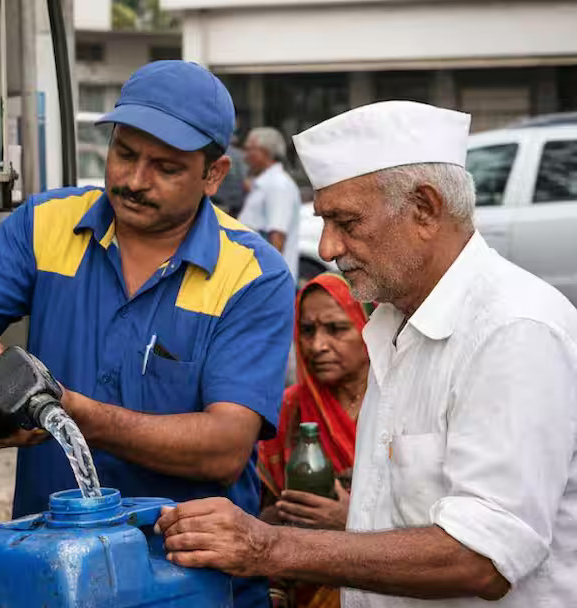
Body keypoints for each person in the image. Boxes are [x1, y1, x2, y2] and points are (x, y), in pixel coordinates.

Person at [0, 60, 295, 608]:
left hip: (190, 583)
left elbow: (223, 448)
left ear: (214, 174)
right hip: (49, 579)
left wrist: (66, 411)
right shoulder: (47, 225)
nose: (134, 180)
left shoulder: (251, 274)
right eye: (124, 153)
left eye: (166, 167)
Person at [155, 100, 577, 607]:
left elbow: (482, 557)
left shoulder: (513, 330)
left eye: (346, 222)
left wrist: (270, 547)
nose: (327, 248)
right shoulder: (395, 320)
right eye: (325, 222)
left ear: (425, 209)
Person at [257, 273, 371, 608]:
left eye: (336, 329)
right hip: (305, 585)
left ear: (367, 326)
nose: (317, 345)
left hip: (390, 582)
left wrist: (351, 521)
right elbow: (264, 512)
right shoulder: (289, 409)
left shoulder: (397, 404)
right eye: (307, 330)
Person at [238, 127, 301, 278]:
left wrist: (270, 279)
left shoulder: (278, 184)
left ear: (265, 152)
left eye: (250, 150)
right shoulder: (266, 183)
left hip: (266, 279)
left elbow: (277, 236)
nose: (245, 156)